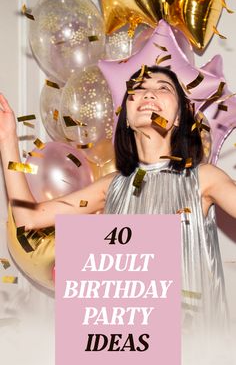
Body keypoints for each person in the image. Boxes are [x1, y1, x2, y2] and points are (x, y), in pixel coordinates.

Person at [0, 65, 235, 329]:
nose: (148, 94)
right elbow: (27, 218)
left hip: (198, 355)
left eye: (163, 88)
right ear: (127, 118)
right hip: (133, 353)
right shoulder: (110, 187)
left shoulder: (204, 178)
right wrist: (7, 138)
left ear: (179, 117)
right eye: (139, 89)